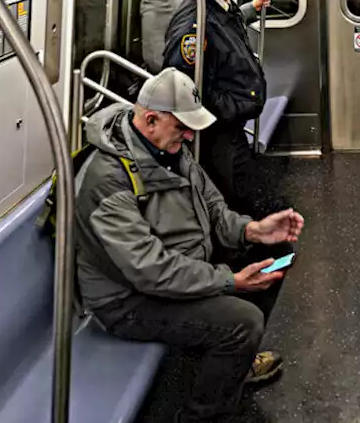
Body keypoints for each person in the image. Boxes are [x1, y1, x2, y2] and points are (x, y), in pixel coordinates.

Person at [75, 67, 305, 423]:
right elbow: (149, 270)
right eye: (181, 127)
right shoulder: (108, 180)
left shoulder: (168, 149)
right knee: (242, 323)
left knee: (277, 254)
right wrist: (229, 280)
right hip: (128, 299)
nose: (188, 136)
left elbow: (211, 207)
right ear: (150, 119)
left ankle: (230, 365)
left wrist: (253, 231)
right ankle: (205, 415)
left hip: (180, 265)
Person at [163, 0, 271, 216]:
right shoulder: (194, 21)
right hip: (215, 136)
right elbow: (185, 84)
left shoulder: (222, 5)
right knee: (233, 204)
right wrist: (230, 108)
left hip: (231, 129)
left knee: (245, 199)